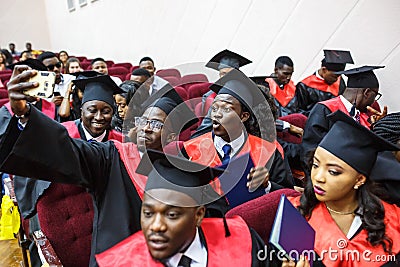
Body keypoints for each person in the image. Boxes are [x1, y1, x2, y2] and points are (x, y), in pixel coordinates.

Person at [0, 66, 197, 267]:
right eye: (143, 120)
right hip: (118, 258)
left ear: (172, 137)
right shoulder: (113, 156)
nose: (145, 127)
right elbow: (67, 150)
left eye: (155, 124)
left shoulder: (188, 174)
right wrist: (24, 114)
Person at [13, 74, 123, 267]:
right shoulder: (61, 137)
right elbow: (27, 165)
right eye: (92, 110)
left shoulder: (120, 142)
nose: (98, 117)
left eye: (106, 111)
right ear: (81, 111)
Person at [269, 111, 400, 267]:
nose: (318, 177)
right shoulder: (294, 216)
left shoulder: (393, 221)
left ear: (359, 180)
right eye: (315, 165)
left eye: (333, 172)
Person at [96, 149, 268, 267]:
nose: (155, 226)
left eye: (171, 214)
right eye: (148, 213)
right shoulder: (119, 262)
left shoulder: (242, 240)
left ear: (199, 214)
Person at [182, 70, 294, 205]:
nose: (216, 114)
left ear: (244, 116)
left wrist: (267, 186)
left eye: (227, 109)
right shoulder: (191, 150)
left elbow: (289, 195)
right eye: (215, 108)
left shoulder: (268, 152)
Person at [302, 65, 385, 162]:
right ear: (366, 92)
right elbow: (309, 152)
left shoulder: (363, 117)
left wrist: (379, 128)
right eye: (375, 95)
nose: (373, 101)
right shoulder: (325, 110)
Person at [192, 49, 252, 138]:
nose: (226, 77)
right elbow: (206, 127)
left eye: (230, 74)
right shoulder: (212, 97)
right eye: (223, 74)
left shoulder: (247, 92)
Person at [295, 49, 354, 116]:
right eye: (334, 76)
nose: (336, 79)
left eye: (339, 76)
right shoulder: (304, 86)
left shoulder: (340, 82)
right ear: (324, 70)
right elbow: (299, 111)